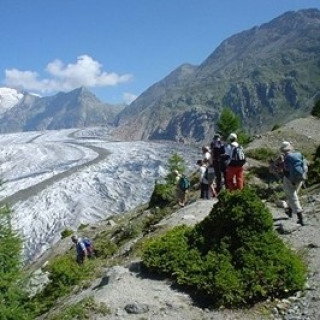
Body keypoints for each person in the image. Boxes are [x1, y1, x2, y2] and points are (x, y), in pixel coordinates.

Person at [278, 141, 305, 226]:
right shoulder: (298, 154)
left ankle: (300, 217)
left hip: (289, 179)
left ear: (283, 150)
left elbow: (282, 169)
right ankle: (289, 211)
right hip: (300, 178)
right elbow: (305, 164)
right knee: (293, 194)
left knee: (292, 196)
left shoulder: (285, 157)